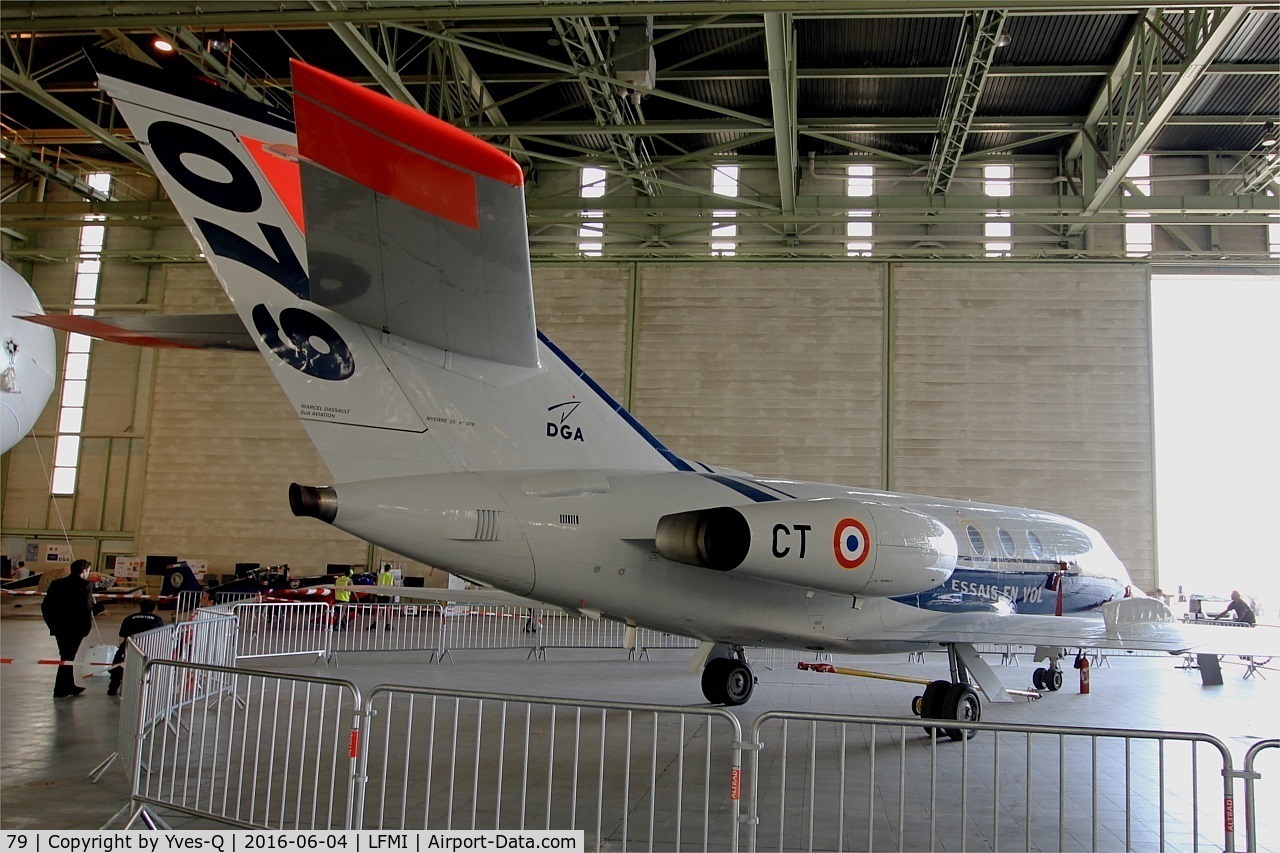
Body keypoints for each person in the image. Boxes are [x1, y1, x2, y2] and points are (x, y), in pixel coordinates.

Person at [40, 558, 95, 698]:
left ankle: (69, 685)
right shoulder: (86, 585)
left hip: (59, 627)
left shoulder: (57, 583)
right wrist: (87, 626)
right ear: (84, 571)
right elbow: (86, 608)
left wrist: (51, 624)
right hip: (76, 628)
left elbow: (45, 606)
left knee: (67, 656)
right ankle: (60, 690)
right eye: (88, 570)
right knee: (67, 656)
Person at [107, 599, 165, 695]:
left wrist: (123, 651)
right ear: (153, 610)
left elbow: (121, 638)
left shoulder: (129, 618)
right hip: (151, 651)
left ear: (140, 608)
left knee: (117, 663)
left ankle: (113, 687)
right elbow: (161, 636)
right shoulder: (158, 620)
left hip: (132, 649)